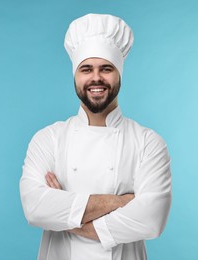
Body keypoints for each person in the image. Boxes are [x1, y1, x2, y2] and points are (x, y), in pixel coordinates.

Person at [20, 13, 172, 260]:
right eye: (86, 69)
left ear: (119, 74)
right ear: (76, 76)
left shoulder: (148, 142)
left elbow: (152, 219)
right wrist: (121, 202)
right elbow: (35, 208)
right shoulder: (48, 139)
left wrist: (64, 213)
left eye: (106, 68)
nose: (96, 78)